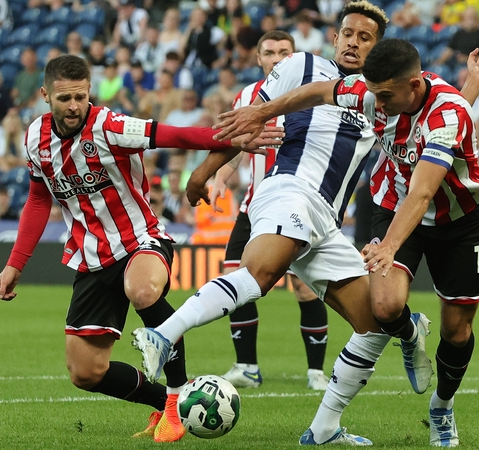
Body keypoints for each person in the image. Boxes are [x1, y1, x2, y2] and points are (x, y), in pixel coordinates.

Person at [131, 3, 433, 445]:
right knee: (261, 272)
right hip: (287, 190)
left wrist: (472, 88)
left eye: (364, 37)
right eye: (347, 33)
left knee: (373, 325)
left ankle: (325, 428)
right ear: (334, 38)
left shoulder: (382, 101)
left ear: (377, 48)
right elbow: (248, 121)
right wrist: (202, 173)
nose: (352, 41)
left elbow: (434, 108)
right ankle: (162, 334)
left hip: (326, 222)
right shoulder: (300, 65)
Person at [212, 38, 479, 447]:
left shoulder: (450, 115)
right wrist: (262, 110)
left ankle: (442, 406)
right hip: (392, 203)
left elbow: (423, 191)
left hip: (458, 220)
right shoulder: (374, 92)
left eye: (385, 96)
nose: (376, 105)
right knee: (384, 306)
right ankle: (410, 333)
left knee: (457, 330)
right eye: (373, 94)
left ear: (413, 86)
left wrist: (388, 247)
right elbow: (316, 91)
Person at [0, 54, 280, 444]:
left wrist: (228, 137)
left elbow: (173, 135)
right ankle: (166, 401)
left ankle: (177, 404)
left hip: (142, 240)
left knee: (142, 290)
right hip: (92, 257)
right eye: (64, 99)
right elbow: (39, 200)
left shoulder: (109, 126)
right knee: (86, 372)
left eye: (80, 96)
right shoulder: (33, 140)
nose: (74, 105)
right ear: (45, 95)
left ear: (89, 90)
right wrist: (15, 265)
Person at [206, 30, 330, 391]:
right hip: (253, 206)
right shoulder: (246, 96)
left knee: (306, 291)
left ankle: (316, 372)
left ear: (295, 57)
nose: (277, 58)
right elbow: (238, 144)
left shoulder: (312, 95)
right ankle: (246, 367)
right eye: (270, 52)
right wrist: (220, 176)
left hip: (297, 207)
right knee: (235, 281)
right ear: (258, 59)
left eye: (284, 52)